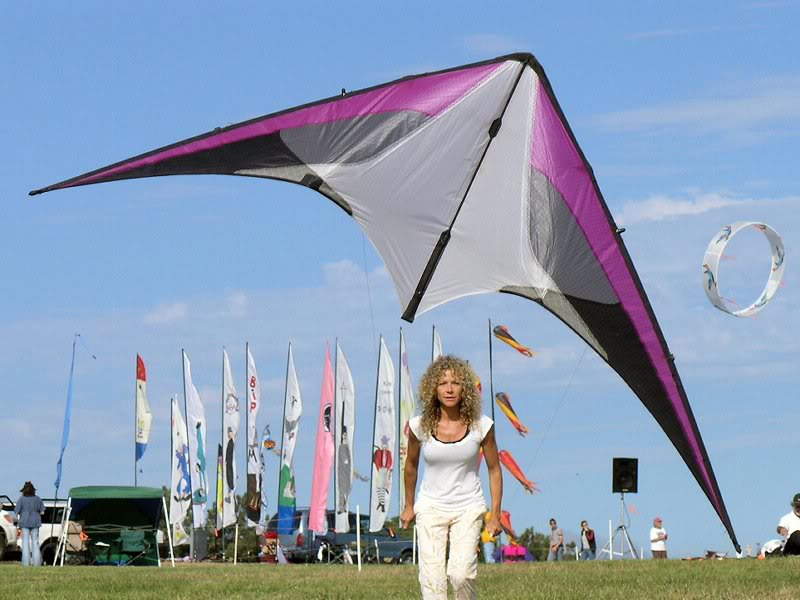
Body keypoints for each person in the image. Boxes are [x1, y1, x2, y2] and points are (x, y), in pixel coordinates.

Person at [401, 355, 503, 600]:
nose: (449, 389)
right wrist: (409, 505)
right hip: (431, 507)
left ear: (464, 388)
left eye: (455, 383)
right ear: (433, 389)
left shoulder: (482, 426)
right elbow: (411, 465)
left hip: (468, 506)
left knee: (461, 574)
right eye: (442, 383)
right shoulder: (418, 426)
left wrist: (495, 515)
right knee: (432, 581)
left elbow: (494, 469)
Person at [14, 481, 45, 567]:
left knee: (25, 543)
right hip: (35, 522)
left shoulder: (21, 499)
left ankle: (25, 563)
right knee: (35, 543)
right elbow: (42, 512)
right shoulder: (38, 499)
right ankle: (37, 563)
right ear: (33, 490)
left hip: (24, 522)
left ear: (23, 490)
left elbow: (16, 511)